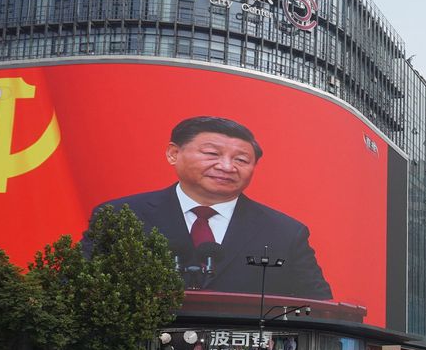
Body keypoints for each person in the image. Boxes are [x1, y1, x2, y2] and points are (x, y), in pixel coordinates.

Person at [90, 116, 332, 299]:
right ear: (174, 153)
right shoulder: (121, 216)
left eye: (241, 160)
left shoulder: (286, 233)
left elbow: (320, 308)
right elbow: (78, 291)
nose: (227, 166)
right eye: (211, 153)